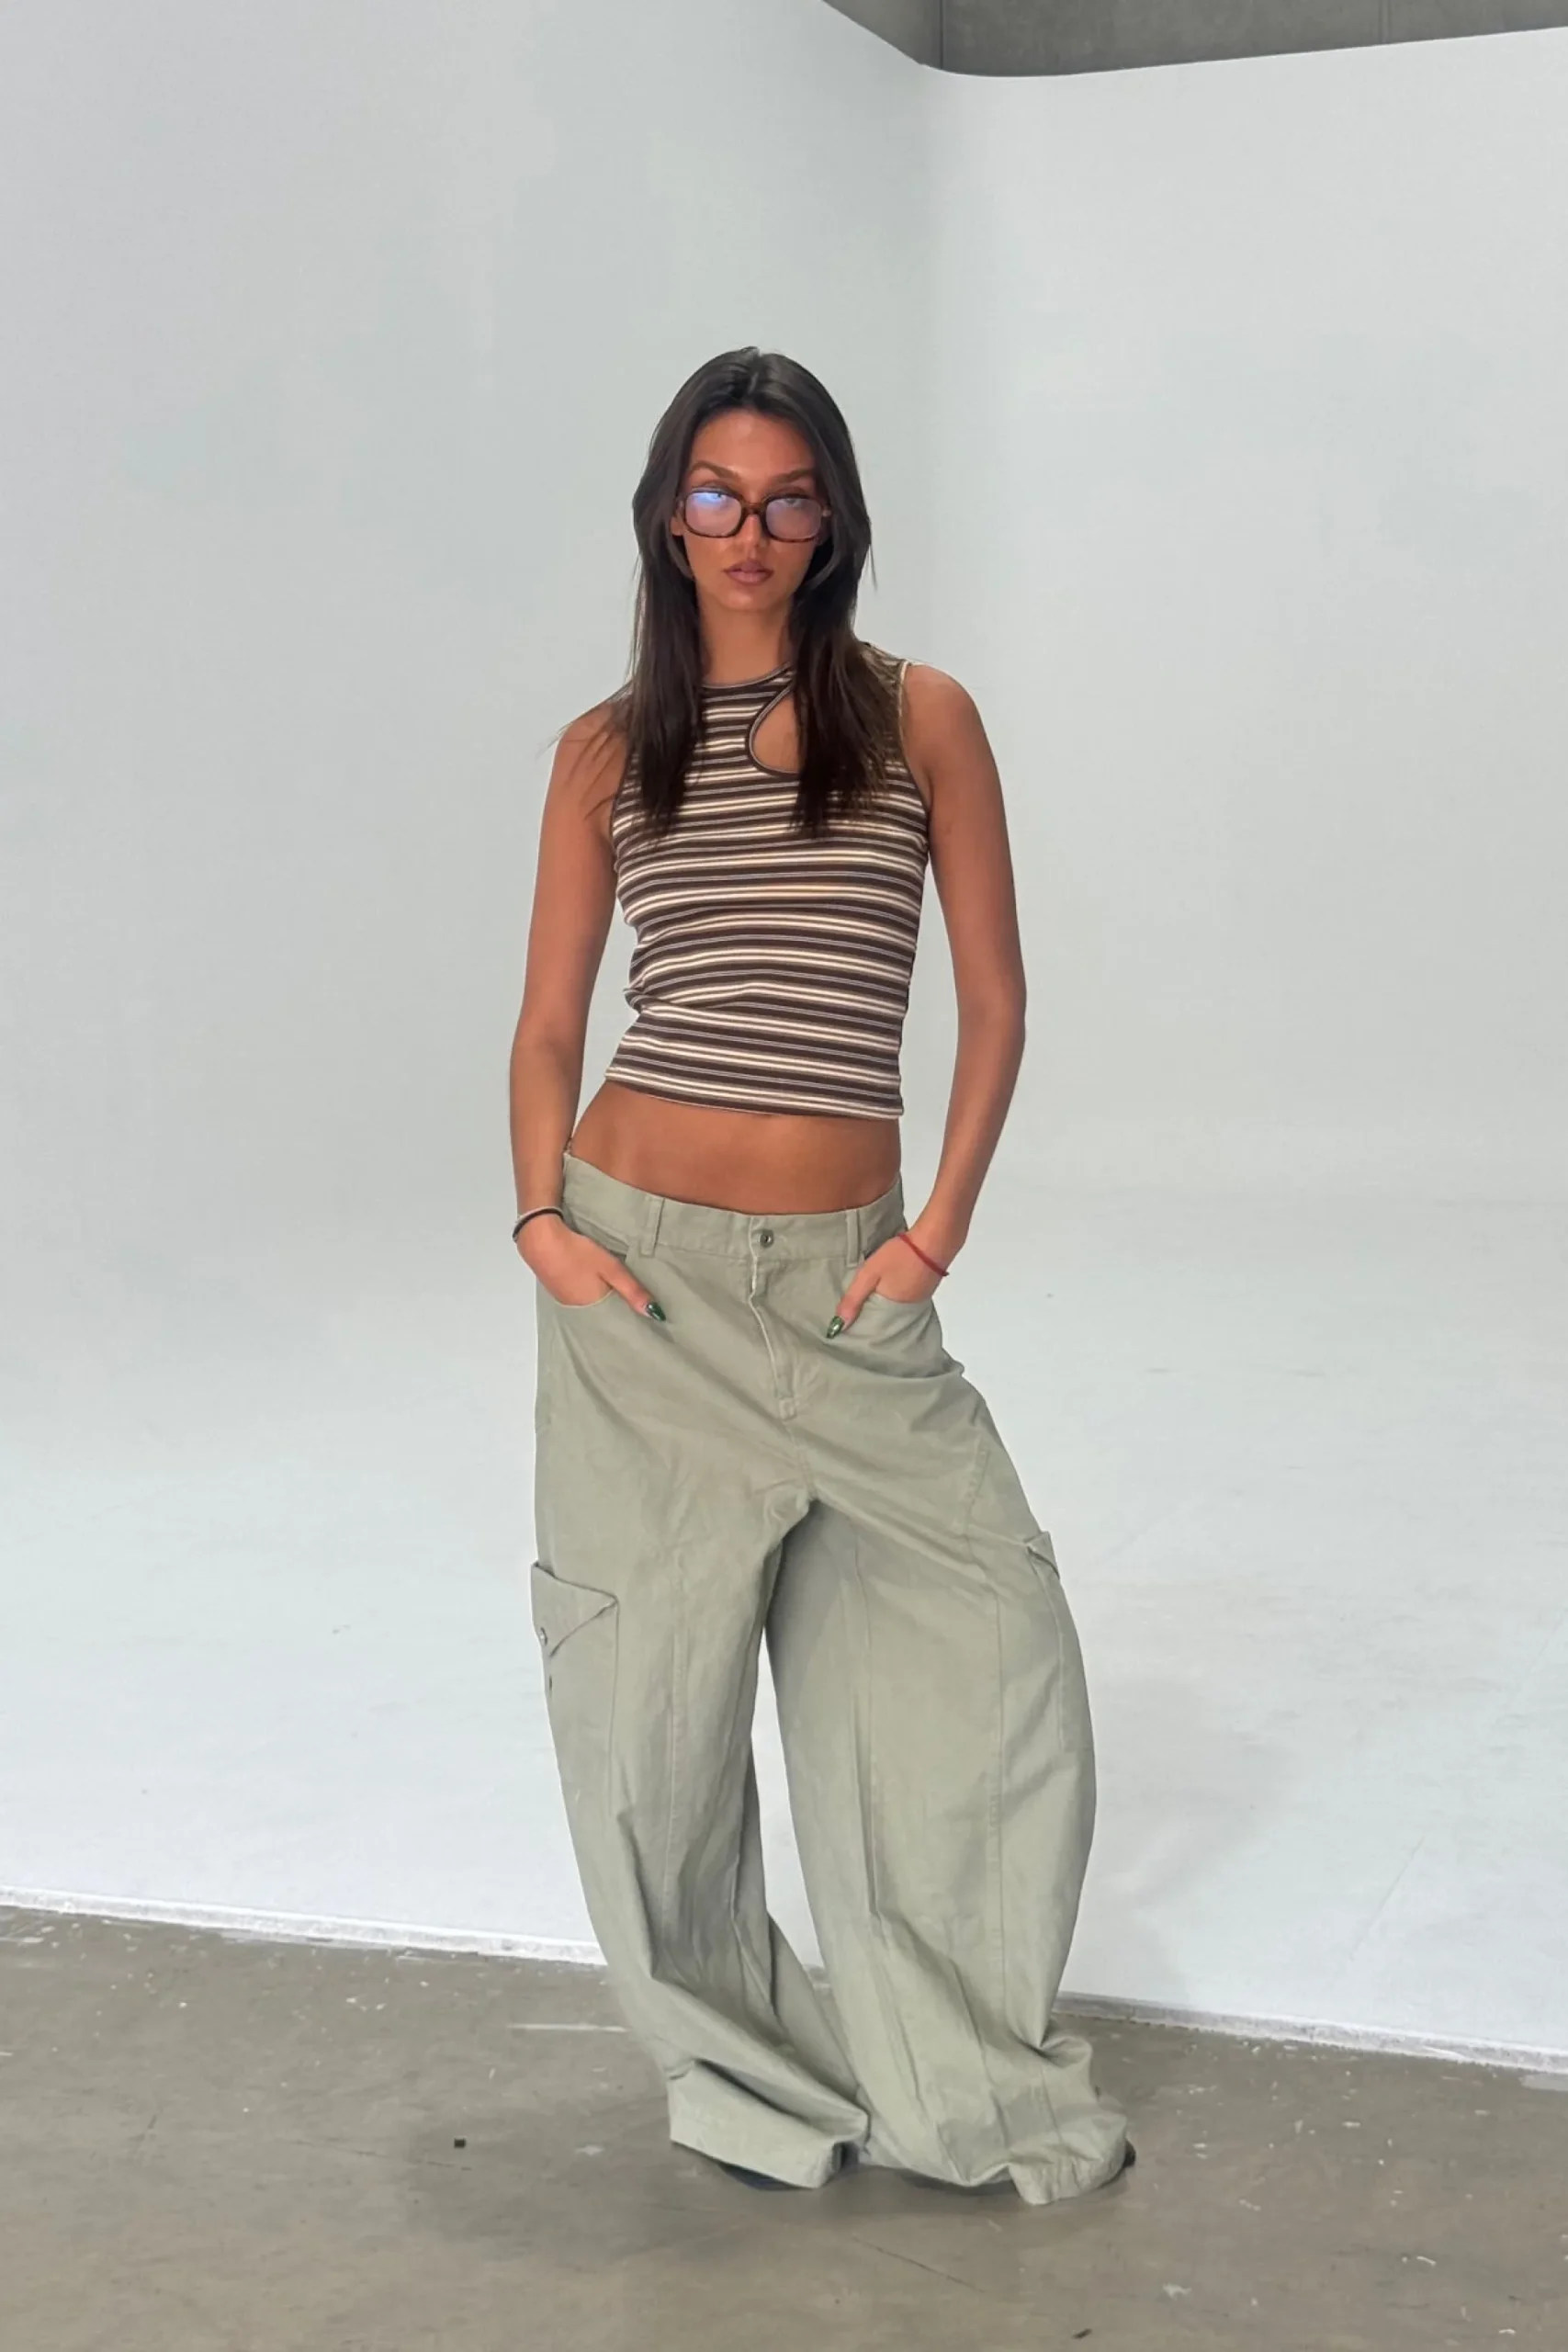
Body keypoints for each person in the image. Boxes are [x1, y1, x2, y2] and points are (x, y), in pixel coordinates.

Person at [506, 345, 1134, 2205]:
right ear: (665, 516)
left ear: (835, 519)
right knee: (649, 1717)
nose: (750, 530)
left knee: (990, 1638)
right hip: (637, 1281)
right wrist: (542, 1225)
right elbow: (547, 1021)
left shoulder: (919, 715)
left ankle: (960, 2079)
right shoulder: (605, 748)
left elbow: (996, 998)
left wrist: (933, 1233)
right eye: (715, 493)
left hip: (850, 1286)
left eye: (788, 498)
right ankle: (748, 2074)